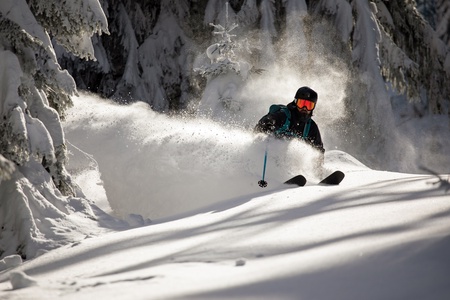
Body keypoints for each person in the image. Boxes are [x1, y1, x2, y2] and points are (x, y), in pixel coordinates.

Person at [255, 86, 325, 153]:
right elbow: (261, 125)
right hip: (269, 152)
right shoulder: (283, 115)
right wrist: (267, 124)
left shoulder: (310, 127)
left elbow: (318, 150)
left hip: (288, 161)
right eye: (301, 103)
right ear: (295, 102)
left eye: (309, 105)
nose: (304, 108)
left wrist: (317, 163)